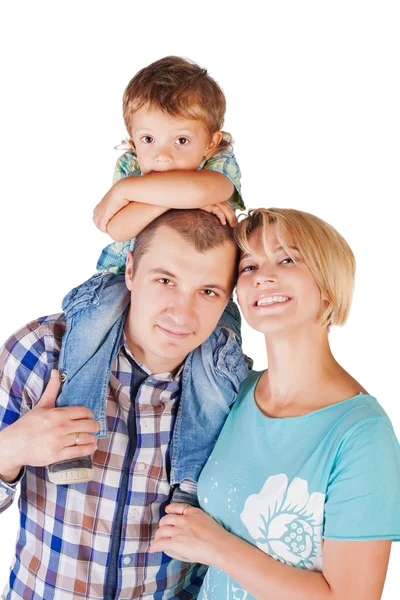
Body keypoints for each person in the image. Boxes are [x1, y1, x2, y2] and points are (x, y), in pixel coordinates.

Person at [150, 208, 400, 600]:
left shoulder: (362, 436)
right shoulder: (233, 394)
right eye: (249, 266)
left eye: (287, 259)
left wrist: (216, 545)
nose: (262, 276)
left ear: (330, 285)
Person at [0, 209, 249, 600]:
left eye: (208, 291)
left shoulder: (231, 394)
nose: (181, 314)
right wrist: (10, 449)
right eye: (165, 280)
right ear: (130, 270)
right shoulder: (44, 352)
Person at [49, 55, 247, 486]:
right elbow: (116, 228)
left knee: (217, 360)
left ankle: (194, 479)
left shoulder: (219, 167)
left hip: (206, 282)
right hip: (119, 274)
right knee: (91, 326)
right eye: (148, 140)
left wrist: (134, 193)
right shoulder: (129, 170)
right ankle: (74, 437)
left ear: (211, 143)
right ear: (131, 140)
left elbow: (211, 188)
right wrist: (152, 190)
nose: (161, 155)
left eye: (181, 141)